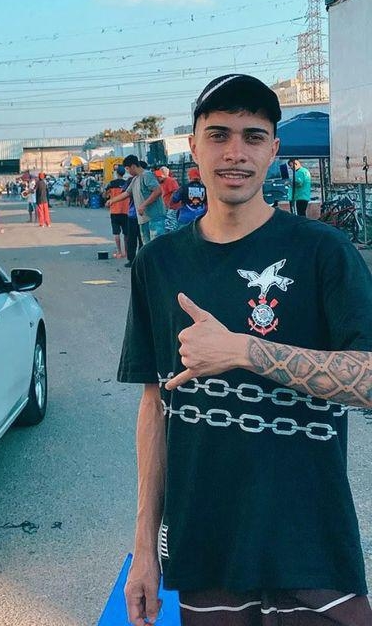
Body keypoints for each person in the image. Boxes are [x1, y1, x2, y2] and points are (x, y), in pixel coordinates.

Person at [117, 73, 372, 626]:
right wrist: (144, 547)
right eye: (219, 134)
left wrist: (244, 351)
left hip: (312, 545)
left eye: (253, 136)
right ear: (193, 147)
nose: (236, 153)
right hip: (205, 547)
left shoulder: (324, 252)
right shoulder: (159, 263)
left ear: (274, 150)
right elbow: (154, 406)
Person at [112, 155, 165, 243]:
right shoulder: (135, 179)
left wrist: (143, 205)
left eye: (127, 169)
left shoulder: (147, 175)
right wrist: (112, 201)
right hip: (143, 219)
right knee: (147, 246)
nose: (127, 172)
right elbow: (127, 193)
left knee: (156, 245)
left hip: (154, 218)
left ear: (133, 166)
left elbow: (157, 191)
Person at [105, 164, 129, 258]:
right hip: (125, 210)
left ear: (116, 173)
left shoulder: (111, 184)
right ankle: (126, 252)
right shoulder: (127, 183)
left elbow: (105, 195)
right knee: (126, 233)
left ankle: (119, 252)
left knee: (116, 233)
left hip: (114, 211)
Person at [155, 166, 180, 232]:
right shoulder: (162, 183)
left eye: (159, 176)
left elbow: (175, 193)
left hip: (172, 208)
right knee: (166, 226)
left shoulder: (170, 181)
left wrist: (170, 204)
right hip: (166, 208)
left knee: (171, 227)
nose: (157, 178)